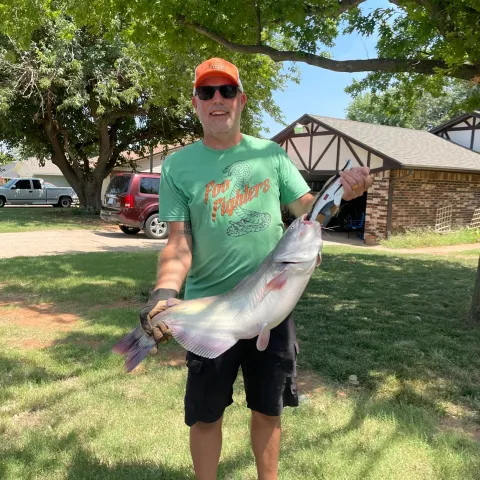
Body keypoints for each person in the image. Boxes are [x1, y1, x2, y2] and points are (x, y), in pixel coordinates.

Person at [139, 58, 372, 480]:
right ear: (195, 102)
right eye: (207, 91)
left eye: (227, 91)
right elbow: (178, 241)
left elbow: (308, 212)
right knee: (206, 415)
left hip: (271, 310)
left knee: (268, 409)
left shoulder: (271, 155)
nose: (217, 99)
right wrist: (164, 293)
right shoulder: (178, 165)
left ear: (241, 100)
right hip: (211, 312)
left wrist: (343, 191)